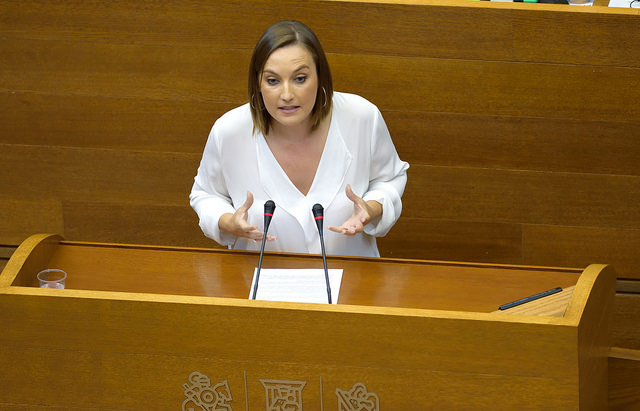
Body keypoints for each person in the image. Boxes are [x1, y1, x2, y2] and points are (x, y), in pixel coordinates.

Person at [189, 20, 409, 257]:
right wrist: (226, 222)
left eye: (300, 78)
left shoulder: (362, 117)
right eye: (272, 81)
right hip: (262, 284)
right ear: (258, 84)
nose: (286, 95)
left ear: (320, 77)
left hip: (353, 282)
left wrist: (372, 207)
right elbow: (206, 194)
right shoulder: (229, 130)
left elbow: (389, 179)